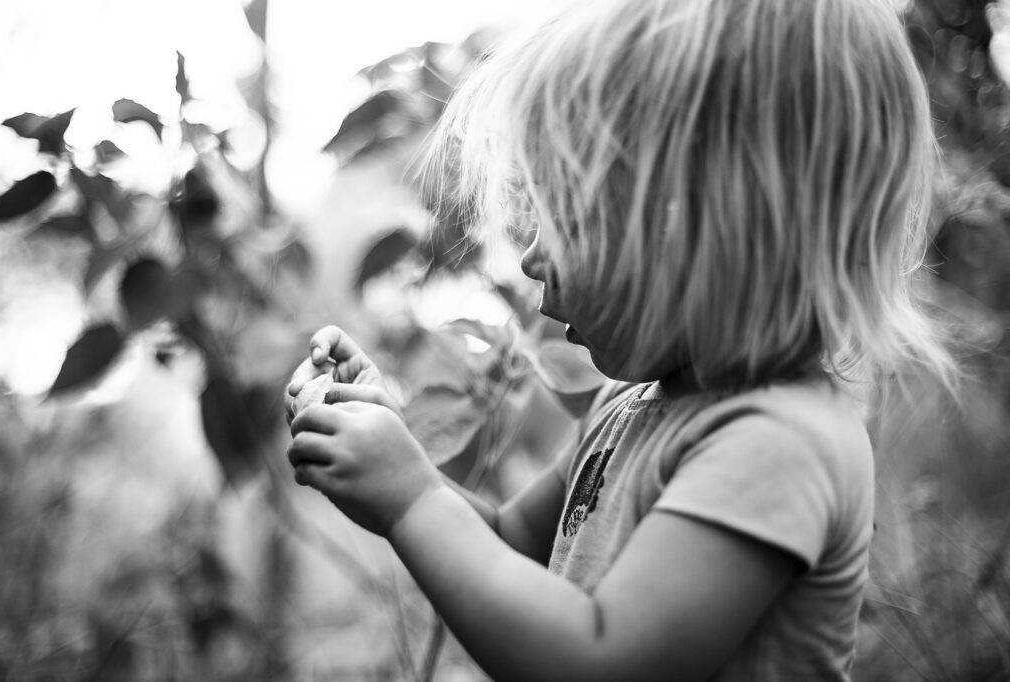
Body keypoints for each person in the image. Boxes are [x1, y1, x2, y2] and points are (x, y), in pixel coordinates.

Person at [283, 0, 956, 679]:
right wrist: (398, 465)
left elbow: (599, 659)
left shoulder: (780, 442)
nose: (530, 258)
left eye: (565, 217)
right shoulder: (625, 406)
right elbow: (509, 549)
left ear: (707, 218)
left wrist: (412, 501)